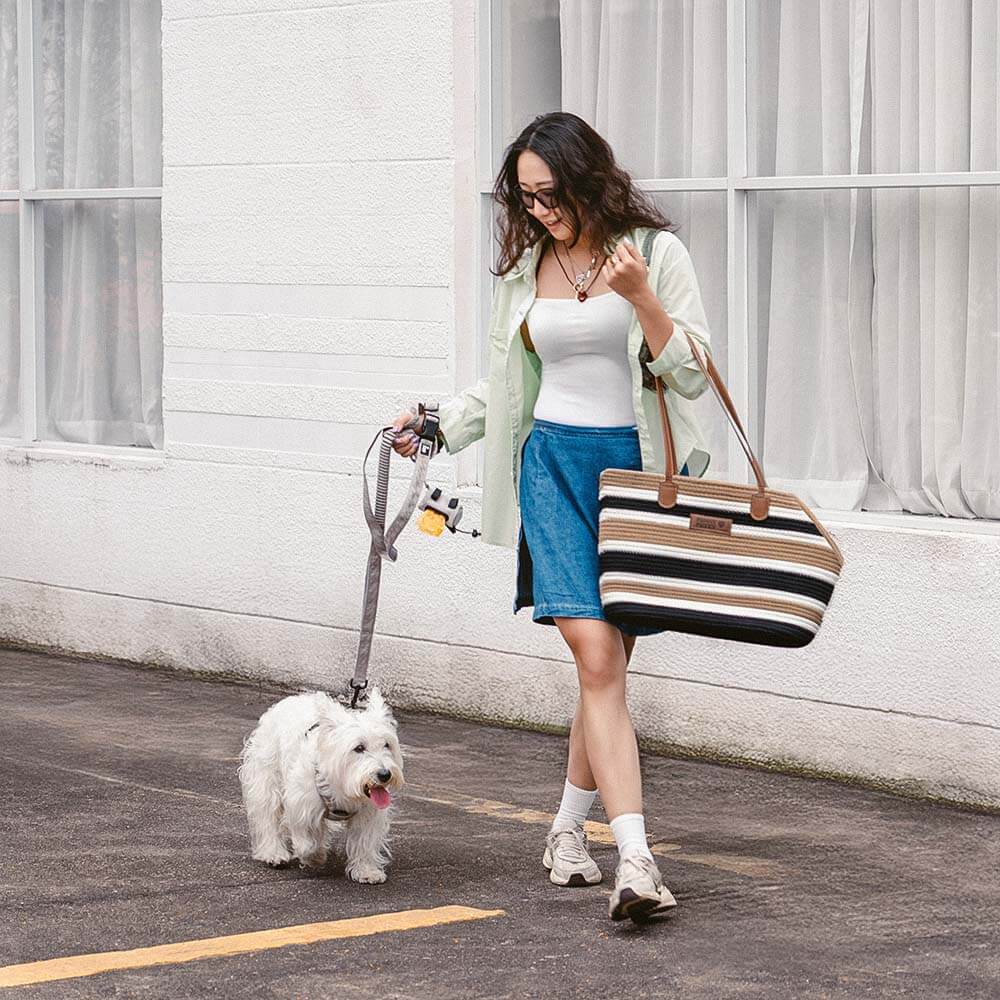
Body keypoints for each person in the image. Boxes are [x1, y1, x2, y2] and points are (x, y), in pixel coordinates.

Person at [391, 111, 713, 925]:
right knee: (597, 655)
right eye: (527, 199)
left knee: (603, 672)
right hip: (552, 471)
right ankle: (635, 859)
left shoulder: (654, 254)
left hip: (633, 477)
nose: (540, 211)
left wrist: (642, 300)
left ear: (587, 177)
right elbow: (505, 388)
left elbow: (692, 376)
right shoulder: (526, 267)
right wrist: (437, 423)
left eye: (551, 194)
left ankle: (566, 834)